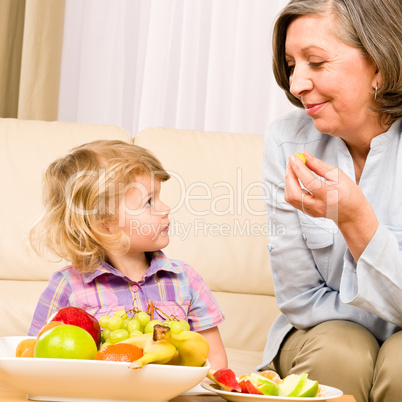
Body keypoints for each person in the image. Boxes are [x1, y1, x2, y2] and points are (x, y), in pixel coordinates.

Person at [258, 0, 402, 401]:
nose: (296, 84)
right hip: (319, 338)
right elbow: (300, 299)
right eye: (291, 65)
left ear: (379, 63)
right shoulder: (287, 141)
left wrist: (356, 219)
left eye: (316, 63)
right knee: (343, 351)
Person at [28, 139, 227, 369]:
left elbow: (215, 362)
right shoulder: (67, 286)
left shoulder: (186, 279)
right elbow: (37, 355)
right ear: (105, 224)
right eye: (149, 202)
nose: (165, 208)